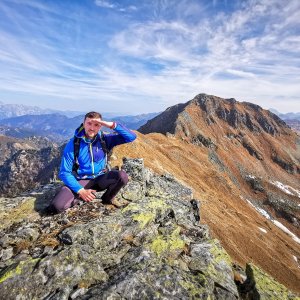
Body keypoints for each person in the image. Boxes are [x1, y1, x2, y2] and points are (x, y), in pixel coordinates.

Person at [48, 111, 137, 213]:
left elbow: (131, 136)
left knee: (122, 176)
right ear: (83, 123)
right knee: (57, 206)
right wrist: (80, 190)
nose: (92, 128)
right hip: (82, 181)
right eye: (89, 123)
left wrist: (110, 125)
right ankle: (83, 196)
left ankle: (107, 198)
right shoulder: (73, 144)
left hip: (101, 178)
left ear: (101, 126)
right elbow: (64, 172)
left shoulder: (105, 140)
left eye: (96, 125)